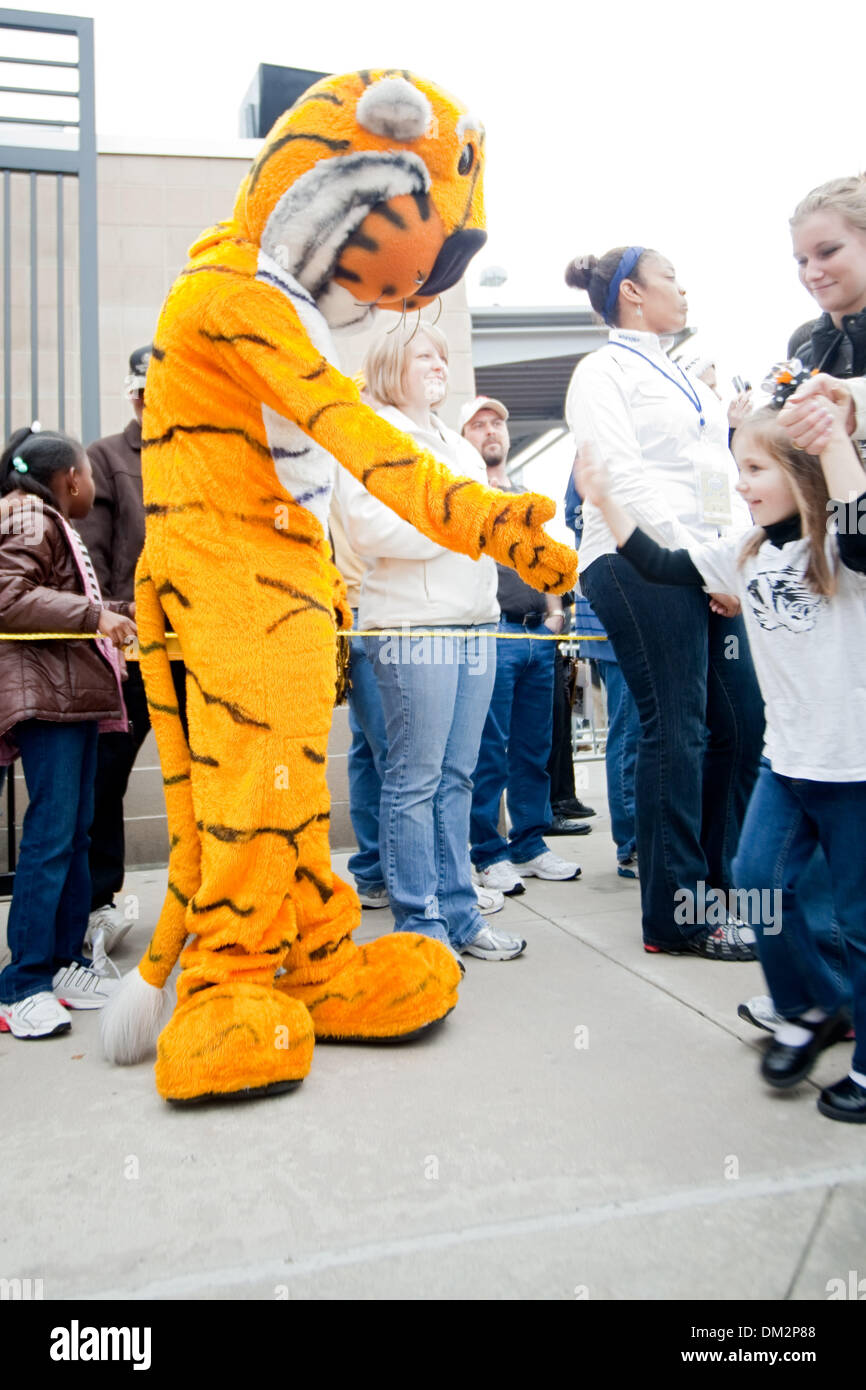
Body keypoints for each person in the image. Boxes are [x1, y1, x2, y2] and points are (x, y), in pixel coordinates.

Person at [575, 374, 866, 1122]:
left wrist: (834, 441)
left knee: (860, 920)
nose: (741, 485)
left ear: (802, 472)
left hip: (854, 767)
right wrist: (605, 501)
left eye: (757, 470)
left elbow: (859, 522)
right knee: (755, 875)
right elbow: (662, 565)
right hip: (789, 764)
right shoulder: (745, 553)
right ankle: (809, 1008)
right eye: (738, 470)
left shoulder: (844, 551)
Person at [565, 246, 765, 959]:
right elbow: (622, 476)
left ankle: (721, 885)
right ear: (631, 295)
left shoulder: (687, 378)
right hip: (635, 559)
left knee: (741, 726)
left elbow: (720, 477)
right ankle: (677, 916)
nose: (684, 288)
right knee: (675, 727)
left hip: (704, 564)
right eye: (670, 279)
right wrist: (693, 562)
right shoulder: (600, 372)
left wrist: (730, 564)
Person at [334, 327, 526, 962]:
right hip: (415, 628)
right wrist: (462, 525)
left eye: (444, 356)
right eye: (426, 356)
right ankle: (419, 925)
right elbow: (367, 528)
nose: (440, 365)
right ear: (392, 366)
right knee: (414, 779)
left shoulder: (457, 445)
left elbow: (481, 527)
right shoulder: (371, 436)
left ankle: (462, 914)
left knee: (458, 777)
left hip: (476, 621)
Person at [0, 427, 135, 1038]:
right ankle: (23, 982)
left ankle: (64, 962)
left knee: (73, 834)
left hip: (71, 696)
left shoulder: (51, 520)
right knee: (51, 837)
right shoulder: (28, 517)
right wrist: (94, 615)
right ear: (70, 479)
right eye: (88, 474)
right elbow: (7, 596)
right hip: (47, 699)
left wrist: (115, 617)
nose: (94, 485)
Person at [76, 346, 186, 962]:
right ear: (135, 395)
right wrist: (120, 619)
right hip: (131, 655)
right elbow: (90, 556)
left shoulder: (199, 453)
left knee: (204, 780)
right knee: (105, 780)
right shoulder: (106, 458)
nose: (155, 399)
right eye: (146, 390)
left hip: (194, 652)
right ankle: (99, 904)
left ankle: (207, 901)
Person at [461, 396, 586, 897]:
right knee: (489, 754)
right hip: (495, 635)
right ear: (464, 438)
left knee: (534, 752)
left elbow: (548, 561)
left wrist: (556, 614)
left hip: (538, 636)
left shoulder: (526, 498)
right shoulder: (464, 497)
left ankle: (530, 845)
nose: (491, 431)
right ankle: (488, 854)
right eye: (478, 425)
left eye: (497, 423)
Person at [565, 468, 639, 877]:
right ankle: (630, 845)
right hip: (616, 617)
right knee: (629, 732)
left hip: (657, 608)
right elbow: (583, 523)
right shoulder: (592, 459)